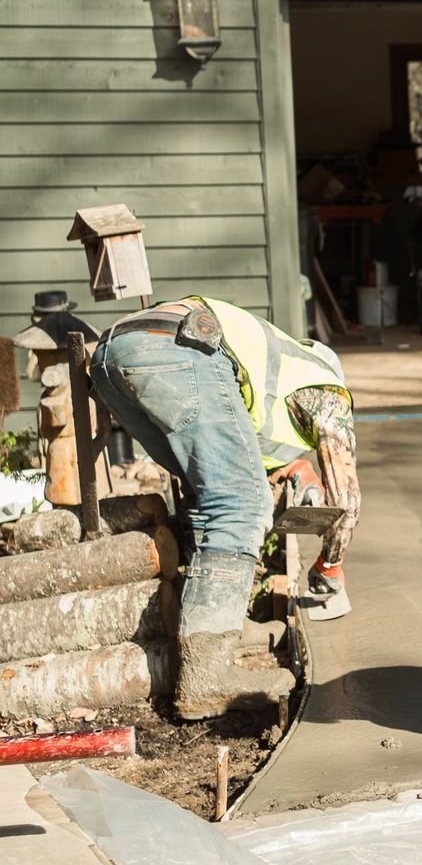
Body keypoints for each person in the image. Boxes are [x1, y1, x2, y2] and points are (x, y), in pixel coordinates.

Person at [90, 295, 360, 718]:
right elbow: (347, 502)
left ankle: (221, 627)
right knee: (240, 504)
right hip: (181, 348)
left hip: (113, 356)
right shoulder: (327, 390)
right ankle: (206, 678)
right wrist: (330, 566)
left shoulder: (271, 379)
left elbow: (236, 458)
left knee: (209, 492)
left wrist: (291, 474)